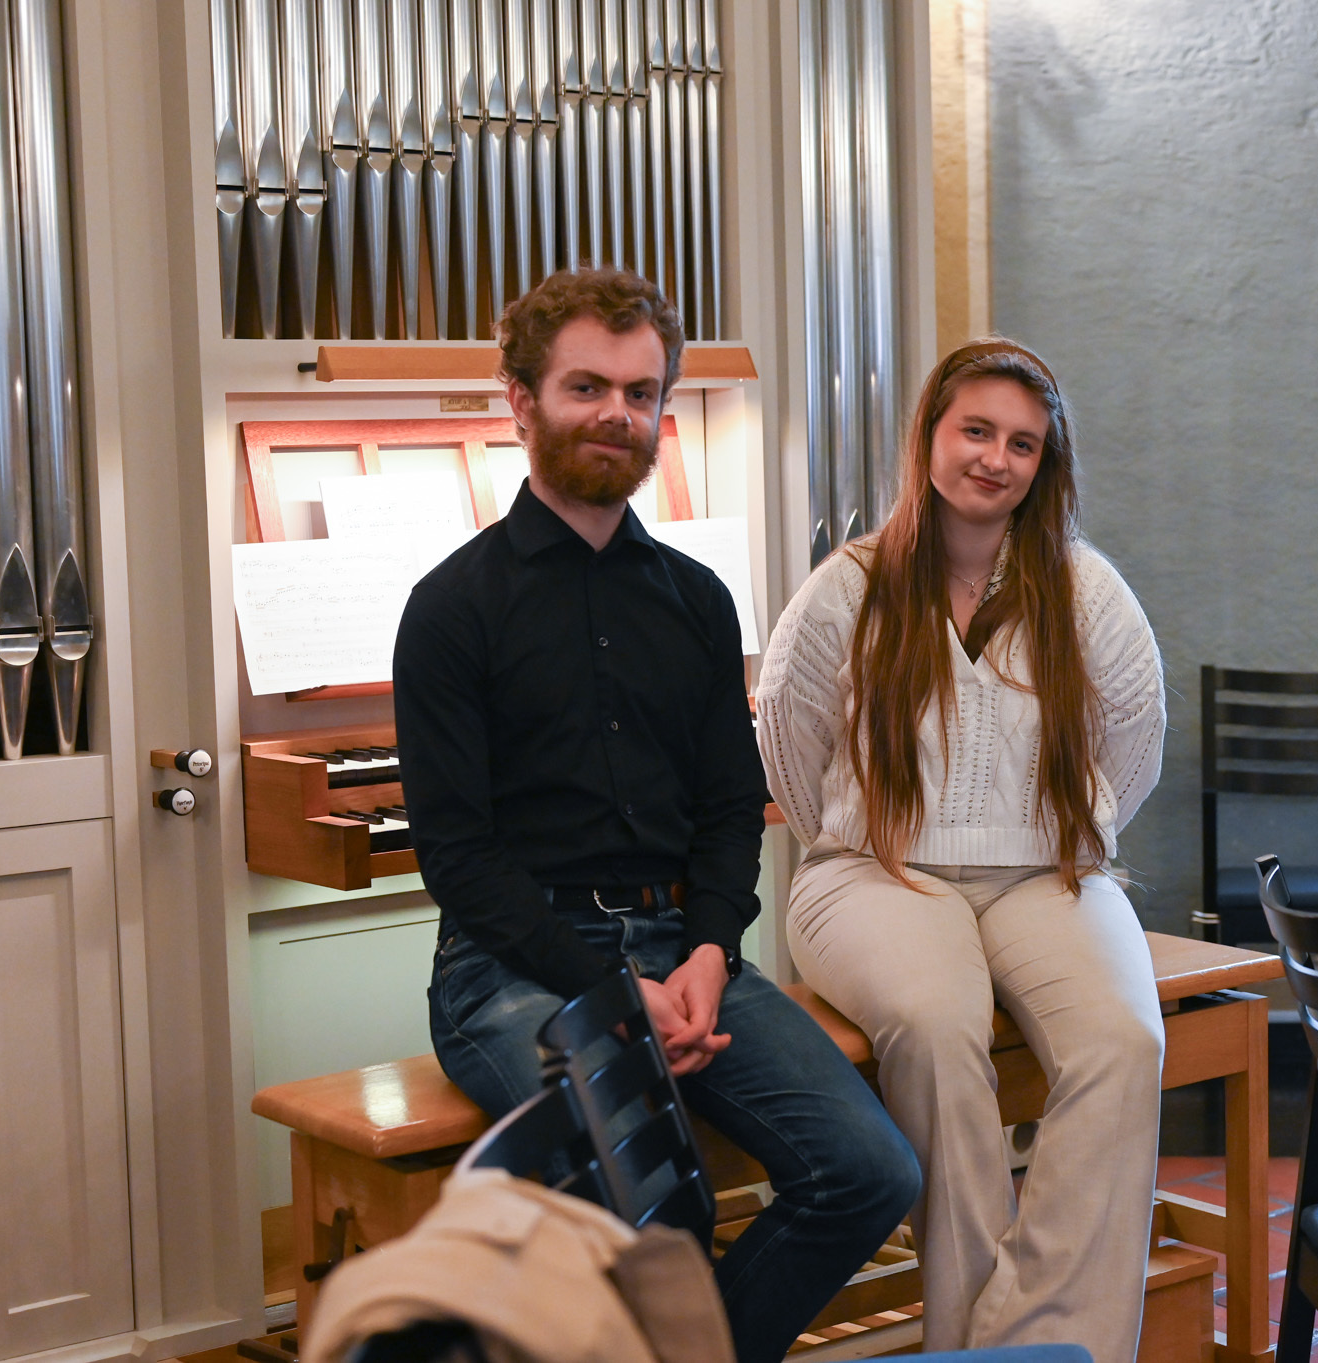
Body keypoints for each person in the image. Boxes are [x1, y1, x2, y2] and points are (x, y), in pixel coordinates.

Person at [393, 268, 921, 1363]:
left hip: (681, 952)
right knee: (657, 1218)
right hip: (510, 967)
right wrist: (608, 986)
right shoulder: (450, 608)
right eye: (587, 386)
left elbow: (733, 809)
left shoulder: (694, 598)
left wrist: (710, 950)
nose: (616, 414)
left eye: (641, 393)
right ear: (520, 400)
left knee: (871, 1173)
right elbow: (456, 856)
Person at [755, 338, 1168, 1361]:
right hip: (873, 870)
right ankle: (976, 1346)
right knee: (940, 1029)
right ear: (930, 437)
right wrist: (878, 839)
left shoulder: (1088, 593)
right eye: (974, 430)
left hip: (1044, 871)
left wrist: (1042, 833)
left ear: (1044, 463)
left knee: (1124, 1043)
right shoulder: (844, 591)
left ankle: (1024, 1341)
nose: (994, 458)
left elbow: (1134, 749)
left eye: (1020, 443)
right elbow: (790, 756)